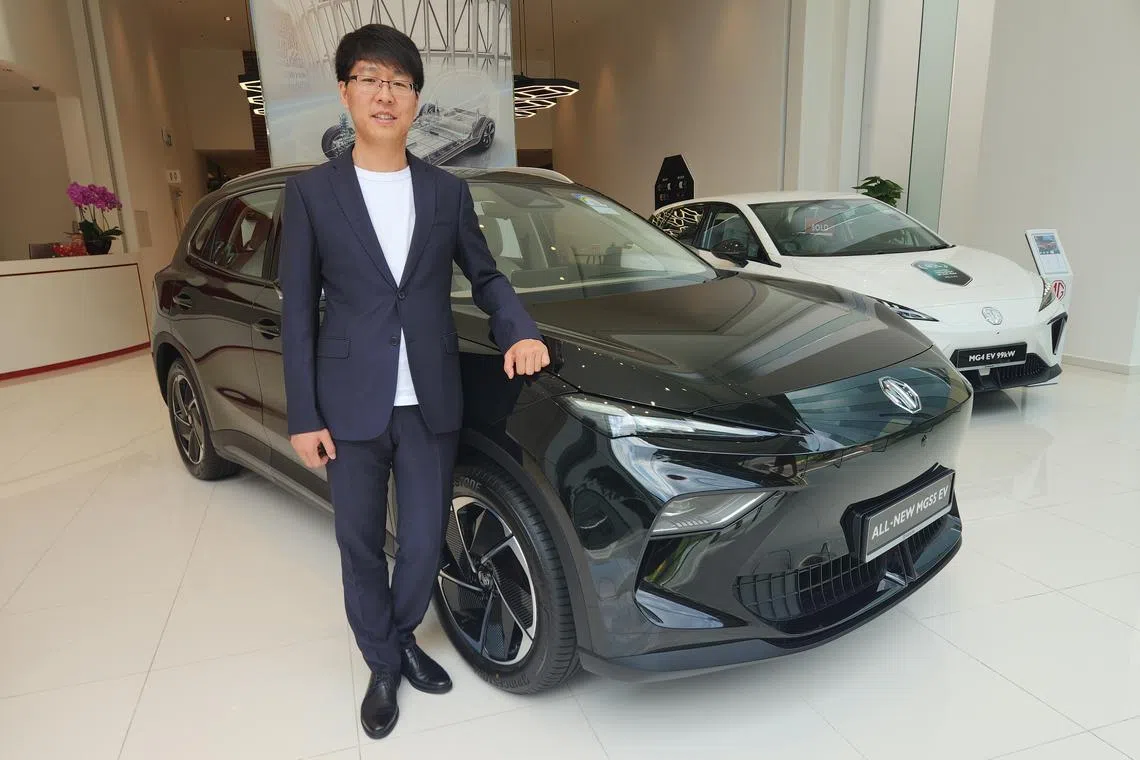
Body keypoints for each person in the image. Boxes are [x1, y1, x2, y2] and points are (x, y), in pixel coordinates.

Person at [278, 23, 549, 740]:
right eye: (370, 78)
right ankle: (385, 662)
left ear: (417, 100)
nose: (385, 94)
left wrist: (517, 327)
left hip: (429, 401)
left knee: (425, 542)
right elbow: (299, 311)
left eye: (400, 82)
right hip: (348, 403)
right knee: (361, 544)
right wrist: (303, 413)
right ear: (345, 92)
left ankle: (395, 638)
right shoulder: (312, 196)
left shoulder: (446, 193)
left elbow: (485, 275)